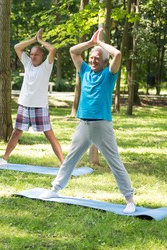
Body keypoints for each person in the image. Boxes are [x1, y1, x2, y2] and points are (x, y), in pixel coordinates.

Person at [40, 28, 136, 214]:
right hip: (83, 124)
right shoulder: (84, 71)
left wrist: (100, 44)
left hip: (101, 125)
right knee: (70, 159)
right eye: (91, 57)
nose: (93, 60)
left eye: (97, 58)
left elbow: (118, 54)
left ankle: (129, 200)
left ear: (104, 62)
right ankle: (55, 189)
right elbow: (73, 51)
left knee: (114, 161)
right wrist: (91, 44)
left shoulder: (109, 75)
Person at [0, 28, 64, 167]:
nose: (32, 56)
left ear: (42, 56)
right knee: (16, 133)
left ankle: (63, 163)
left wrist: (41, 41)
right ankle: (4, 159)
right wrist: (33, 39)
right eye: (31, 54)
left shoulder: (46, 66)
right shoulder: (27, 64)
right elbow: (16, 47)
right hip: (24, 105)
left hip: (40, 106)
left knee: (49, 135)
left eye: (36, 54)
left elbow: (53, 49)